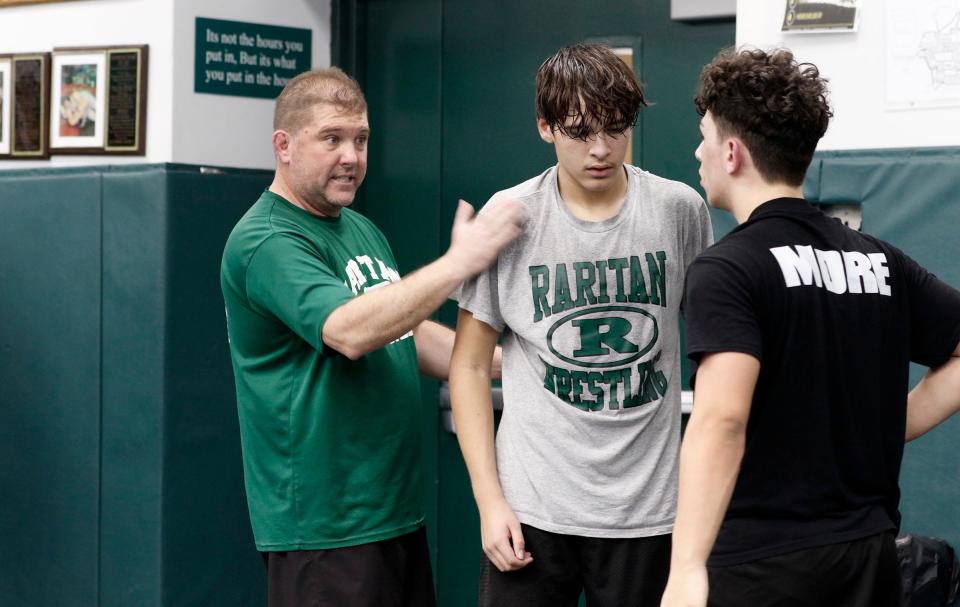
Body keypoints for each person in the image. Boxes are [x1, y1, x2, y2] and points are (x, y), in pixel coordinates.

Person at [660, 47, 960, 607]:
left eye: (704, 135)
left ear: (731, 152)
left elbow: (722, 419)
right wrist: (894, 421)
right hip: (870, 560)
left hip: (762, 568)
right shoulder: (882, 261)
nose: (696, 151)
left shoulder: (727, 268)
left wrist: (686, 569)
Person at [220, 67, 523, 607]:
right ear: (283, 146)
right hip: (325, 530)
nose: (351, 157)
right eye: (331, 139)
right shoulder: (266, 240)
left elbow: (401, 331)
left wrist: (507, 363)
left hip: (392, 513)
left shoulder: (359, 228)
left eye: (360, 140)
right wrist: (459, 263)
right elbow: (352, 331)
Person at [450, 43, 713, 606]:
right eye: (579, 132)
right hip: (533, 509)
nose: (600, 150)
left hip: (649, 510)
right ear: (545, 127)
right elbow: (469, 365)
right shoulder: (510, 216)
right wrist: (489, 502)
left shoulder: (678, 210)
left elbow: (714, 352)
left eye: (616, 130)